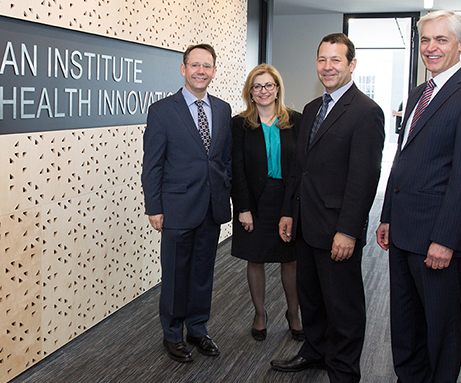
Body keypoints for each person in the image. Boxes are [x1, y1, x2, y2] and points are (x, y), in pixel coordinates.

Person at [375, 10, 461, 383]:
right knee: (406, 323)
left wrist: (445, 239)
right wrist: (387, 214)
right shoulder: (419, 93)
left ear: (460, 44)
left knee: (440, 328)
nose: (431, 48)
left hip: (436, 239)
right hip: (403, 233)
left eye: (441, 40)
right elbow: (404, 158)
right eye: (426, 40)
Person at [270, 33, 385, 382]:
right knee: (312, 297)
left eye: (336, 60)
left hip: (337, 228)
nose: (327, 67)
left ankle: (344, 370)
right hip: (306, 223)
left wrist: (348, 230)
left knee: (343, 306)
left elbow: (363, 179)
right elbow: (299, 168)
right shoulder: (311, 109)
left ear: (352, 64)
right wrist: (289, 211)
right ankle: (315, 351)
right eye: (322, 59)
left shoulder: (366, 112)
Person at [141, 43, 232, 363]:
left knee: (203, 273)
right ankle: (172, 334)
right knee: (177, 274)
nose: (200, 71)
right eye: (195, 65)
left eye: (207, 66)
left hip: (210, 207)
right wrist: (154, 206)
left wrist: (227, 194)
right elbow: (152, 164)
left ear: (214, 72)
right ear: (183, 69)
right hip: (177, 207)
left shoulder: (223, 109)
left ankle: (197, 328)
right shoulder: (162, 111)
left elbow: (224, 161)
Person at [230, 63, 304, 342]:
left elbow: (299, 168)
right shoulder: (240, 124)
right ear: (250, 92)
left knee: (291, 260)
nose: (263, 91)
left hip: (287, 199)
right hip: (255, 202)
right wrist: (243, 208)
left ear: (277, 90)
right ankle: (260, 314)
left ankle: (293, 313)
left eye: (268, 85)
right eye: (257, 86)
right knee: (256, 258)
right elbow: (236, 168)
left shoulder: (295, 121)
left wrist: (293, 207)